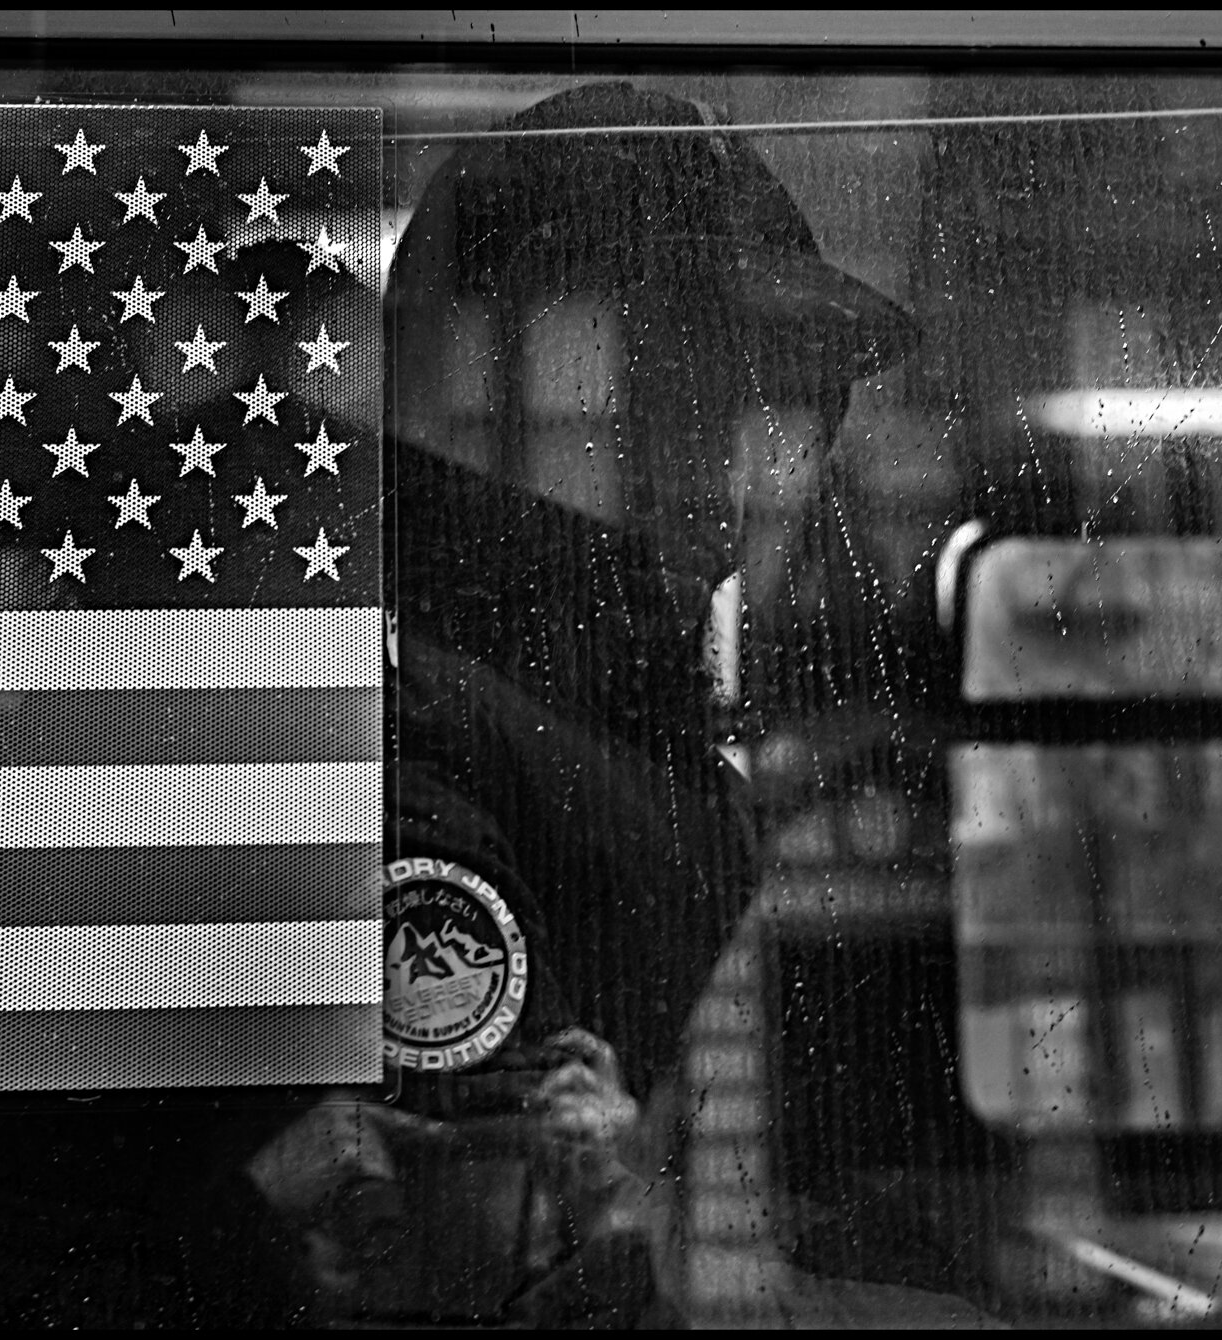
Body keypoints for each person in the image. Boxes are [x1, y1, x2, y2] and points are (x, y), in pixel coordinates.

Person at [245, 81, 916, 1326]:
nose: (745, 456)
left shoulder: (601, 714)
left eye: (780, 397)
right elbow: (488, 1263)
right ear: (519, 385)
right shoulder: (422, 737)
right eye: (692, 382)